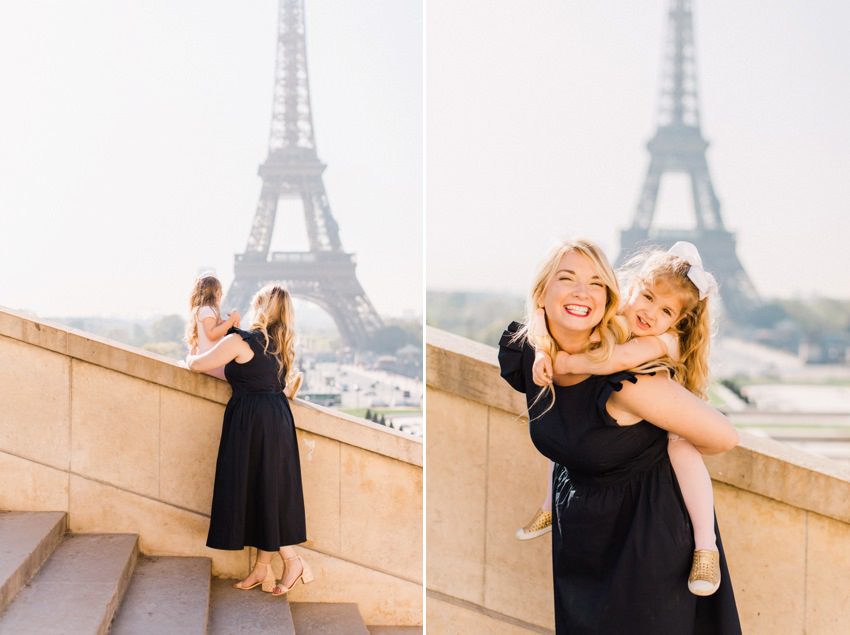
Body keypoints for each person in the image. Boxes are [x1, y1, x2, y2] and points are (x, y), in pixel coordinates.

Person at [499, 238, 741, 633]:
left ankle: (704, 547)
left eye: (594, 282)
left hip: (645, 535)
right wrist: (546, 355)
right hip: (583, 531)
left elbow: (724, 437)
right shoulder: (532, 353)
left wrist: (661, 437)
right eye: (567, 278)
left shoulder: (635, 376)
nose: (582, 291)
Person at [185, 284, 312, 596]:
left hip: (252, 421)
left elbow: (199, 364)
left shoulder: (241, 340)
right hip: (277, 420)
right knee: (265, 490)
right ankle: (262, 568)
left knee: (256, 489)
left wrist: (189, 354)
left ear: (259, 307)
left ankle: (291, 560)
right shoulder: (280, 346)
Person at [185, 274, 241, 380]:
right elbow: (212, 334)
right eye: (220, 291)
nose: (222, 294)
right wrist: (230, 321)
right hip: (212, 363)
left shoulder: (205, 310)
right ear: (216, 293)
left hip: (209, 362)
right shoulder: (207, 309)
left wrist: (225, 324)